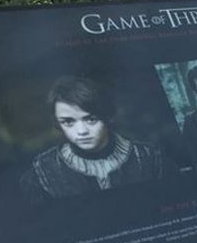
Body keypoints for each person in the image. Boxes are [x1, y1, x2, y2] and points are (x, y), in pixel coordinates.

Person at [23, 76, 164, 200]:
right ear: (58, 123)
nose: (81, 131)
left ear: (107, 116)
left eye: (91, 119)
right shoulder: (42, 171)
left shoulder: (149, 157)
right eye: (68, 122)